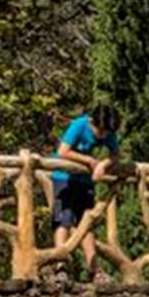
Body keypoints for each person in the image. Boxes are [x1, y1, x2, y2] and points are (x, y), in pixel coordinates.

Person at [51, 104, 122, 280]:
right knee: (63, 220)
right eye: (100, 131)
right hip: (63, 178)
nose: (104, 135)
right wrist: (89, 160)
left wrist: (103, 164)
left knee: (87, 224)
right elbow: (63, 151)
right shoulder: (79, 125)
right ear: (92, 121)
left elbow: (116, 154)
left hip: (84, 180)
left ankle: (94, 270)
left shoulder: (108, 129)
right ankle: (61, 266)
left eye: (107, 132)